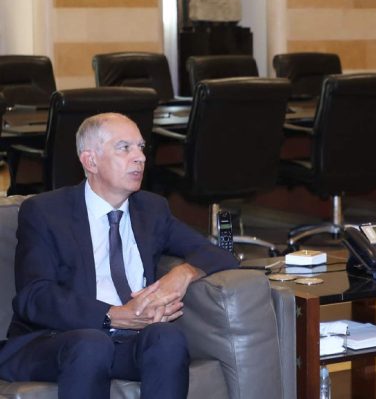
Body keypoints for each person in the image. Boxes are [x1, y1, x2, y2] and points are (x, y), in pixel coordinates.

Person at [0, 113, 239, 398]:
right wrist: (111, 316)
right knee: (92, 344)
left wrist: (181, 275)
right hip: (57, 340)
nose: (140, 158)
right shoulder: (46, 212)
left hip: (126, 342)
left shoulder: (151, 210)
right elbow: (34, 296)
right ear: (90, 161)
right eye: (124, 148)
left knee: (167, 337)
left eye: (141, 147)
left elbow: (219, 254)